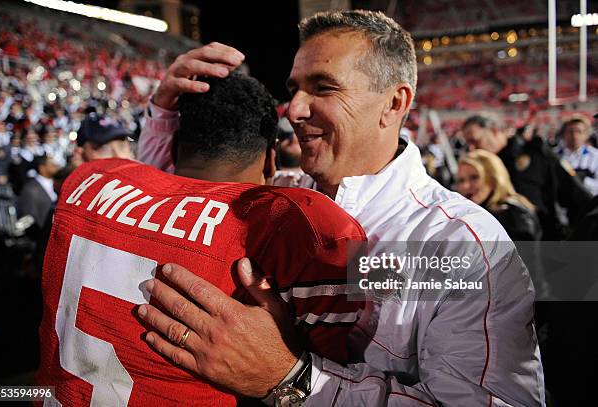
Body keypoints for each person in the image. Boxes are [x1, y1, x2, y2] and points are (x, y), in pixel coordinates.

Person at [137, 11, 545, 406]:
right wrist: (164, 111)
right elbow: (173, 205)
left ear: (394, 103)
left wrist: (288, 379)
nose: (293, 110)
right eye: (295, 87)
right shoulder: (277, 199)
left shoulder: (460, 245)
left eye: (323, 87)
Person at [36, 72, 365, 406]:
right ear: (270, 158)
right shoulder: (304, 222)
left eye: (323, 88)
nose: (298, 107)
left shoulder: (94, 180)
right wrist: (288, 367)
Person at [461, 114, 592, 240]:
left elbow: (579, 197)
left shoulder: (535, 154)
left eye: (475, 141)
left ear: (494, 131)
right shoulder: (479, 168)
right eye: (468, 144)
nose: (472, 148)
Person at [457, 149, 541, 240]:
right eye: (461, 180)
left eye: (474, 177)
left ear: (493, 178)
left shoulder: (511, 214)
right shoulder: (478, 213)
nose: (465, 186)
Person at [553, 115, 598, 196]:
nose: (574, 136)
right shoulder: (554, 156)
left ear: (586, 135)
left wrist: (582, 179)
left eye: (579, 131)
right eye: (570, 132)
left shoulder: (595, 156)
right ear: (563, 134)